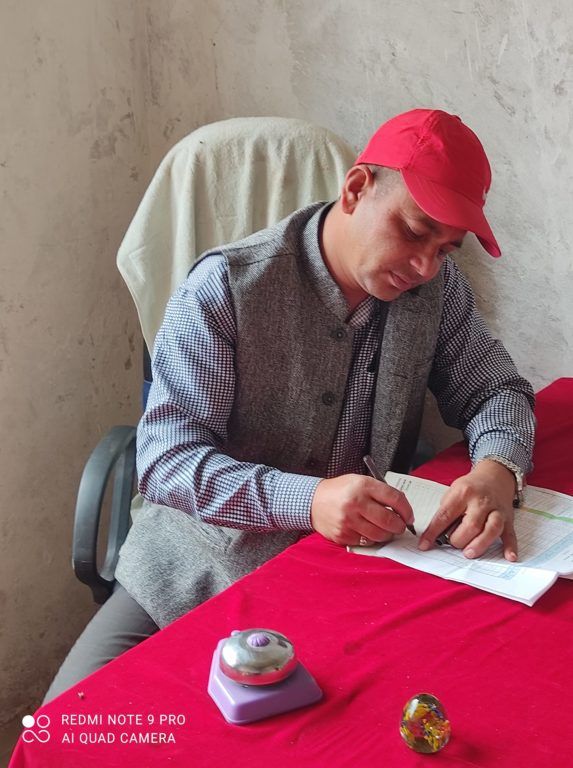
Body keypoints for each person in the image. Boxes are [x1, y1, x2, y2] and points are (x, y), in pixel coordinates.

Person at [44, 108, 535, 702]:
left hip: (351, 574)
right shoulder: (226, 288)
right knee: (70, 723)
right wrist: (307, 499)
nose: (424, 265)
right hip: (197, 571)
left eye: (445, 250)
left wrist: (496, 470)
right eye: (412, 232)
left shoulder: (435, 291)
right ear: (356, 189)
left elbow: (497, 390)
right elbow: (167, 460)